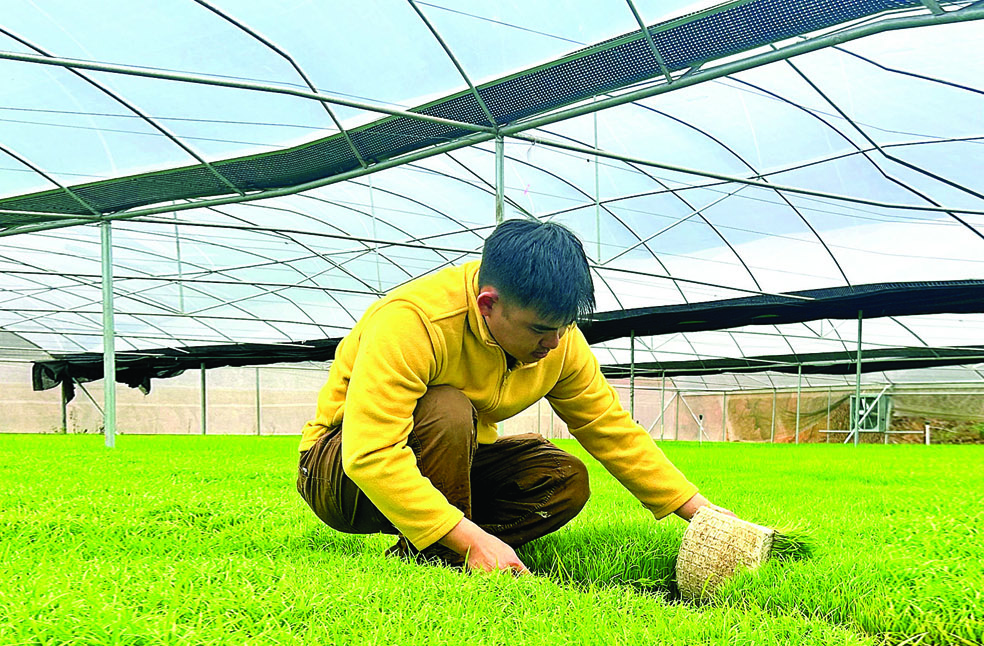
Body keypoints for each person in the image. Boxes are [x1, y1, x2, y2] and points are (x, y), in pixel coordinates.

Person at [296, 219, 724, 574]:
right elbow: (369, 453)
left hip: (450, 463)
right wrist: (471, 540)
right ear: (488, 305)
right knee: (446, 407)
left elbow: (607, 426)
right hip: (339, 473)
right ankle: (452, 554)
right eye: (540, 329)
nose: (554, 343)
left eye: (565, 326)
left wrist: (705, 516)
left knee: (562, 477)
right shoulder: (414, 321)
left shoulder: (560, 339)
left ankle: (433, 544)